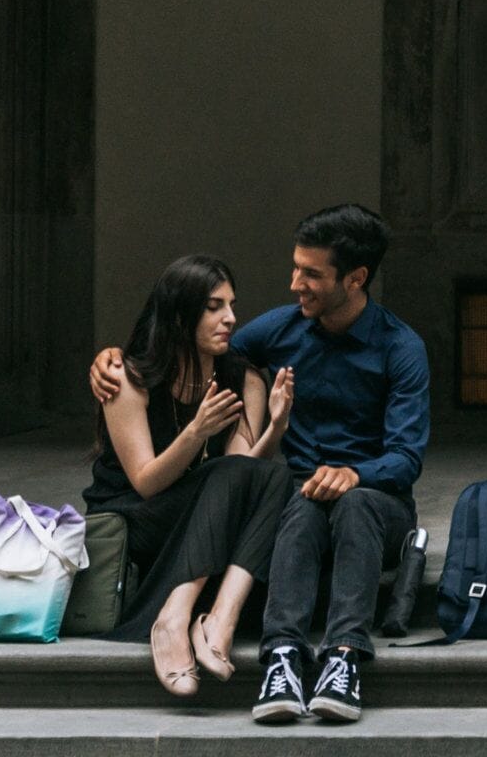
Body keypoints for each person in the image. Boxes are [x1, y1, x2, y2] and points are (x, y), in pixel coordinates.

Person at [111, 205, 431, 726]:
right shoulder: (281, 329)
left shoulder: (401, 348)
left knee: (355, 507)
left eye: (311, 274)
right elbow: (194, 342)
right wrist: (110, 360)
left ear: (356, 279)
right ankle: (281, 658)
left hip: (378, 500)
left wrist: (356, 473)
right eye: (295, 267)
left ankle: (344, 657)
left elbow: (406, 458)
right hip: (299, 493)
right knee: (298, 503)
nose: (294, 283)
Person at [85, 254, 291, 695]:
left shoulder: (242, 377)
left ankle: (221, 618)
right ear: (180, 315)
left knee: (274, 477)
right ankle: (174, 620)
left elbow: (247, 475)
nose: (230, 318)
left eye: (232, 305)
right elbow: (145, 481)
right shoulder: (127, 376)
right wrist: (196, 431)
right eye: (214, 307)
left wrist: (274, 429)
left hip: (202, 515)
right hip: (136, 515)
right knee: (239, 477)